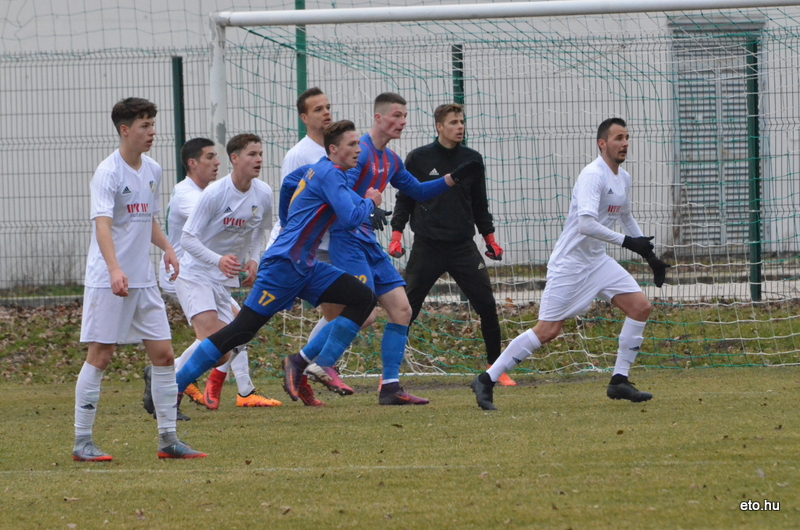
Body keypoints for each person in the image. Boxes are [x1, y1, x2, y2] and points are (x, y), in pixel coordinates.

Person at [282, 93, 483, 406]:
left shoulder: (390, 159)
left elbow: (416, 190)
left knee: (401, 309)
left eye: (405, 116)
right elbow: (335, 189)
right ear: (378, 118)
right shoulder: (357, 151)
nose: (402, 122)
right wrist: (366, 206)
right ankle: (313, 361)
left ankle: (389, 386)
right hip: (346, 239)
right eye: (396, 116)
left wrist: (452, 178)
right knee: (362, 308)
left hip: (366, 242)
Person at [470, 117, 671, 410]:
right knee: (547, 330)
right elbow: (586, 224)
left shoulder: (623, 177)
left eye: (627, 137)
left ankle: (619, 381)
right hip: (571, 265)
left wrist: (650, 256)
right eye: (618, 138)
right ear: (602, 144)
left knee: (640, 306)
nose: (624, 143)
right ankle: (486, 379)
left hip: (597, 261)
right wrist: (628, 243)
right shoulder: (593, 175)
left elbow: (625, 216)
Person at [174, 120, 381, 402]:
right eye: (352, 144)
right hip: (283, 266)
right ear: (333, 149)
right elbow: (351, 217)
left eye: (359, 143)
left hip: (306, 266)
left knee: (363, 298)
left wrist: (287, 220)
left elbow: (289, 184)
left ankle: (313, 362)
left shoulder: (319, 169)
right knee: (240, 331)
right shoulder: (329, 174)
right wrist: (370, 202)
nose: (359, 150)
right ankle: (174, 385)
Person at [73, 97, 205, 461]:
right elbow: (103, 226)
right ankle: (82, 441)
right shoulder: (108, 173)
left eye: (152, 124)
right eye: (144, 126)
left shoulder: (154, 169)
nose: (152, 132)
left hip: (144, 281)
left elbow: (146, 218)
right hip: (108, 280)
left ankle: (168, 440)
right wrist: (115, 269)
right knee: (100, 356)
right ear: (125, 130)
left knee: (163, 356)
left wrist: (167, 248)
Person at [146, 136, 281, 415]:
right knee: (213, 336)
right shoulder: (205, 194)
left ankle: (171, 379)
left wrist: (254, 259)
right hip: (189, 271)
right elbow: (189, 238)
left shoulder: (263, 193)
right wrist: (218, 259)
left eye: (260, 154)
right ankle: (172, 390)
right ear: (236, 158)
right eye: (252, 154)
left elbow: (260, 230)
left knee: (235, 337)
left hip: (220, 277)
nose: (259, 159)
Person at [392, 102, 515, 387]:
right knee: (406, 309)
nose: (460, 126)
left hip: (462, 246)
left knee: (486, 305)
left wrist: (490, 239)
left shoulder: (472, 159)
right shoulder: (418, 158)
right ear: (439, 126)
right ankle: (390, 375)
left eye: (462, 121)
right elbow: (405, 199)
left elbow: (480, 204)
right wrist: (396, 234)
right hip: (427, 246)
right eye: (454, 122)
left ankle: (495, 370)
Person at [267, 87, 331, 407]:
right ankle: (182, 374)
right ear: (304, 117)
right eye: (318, 109)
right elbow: (290, 204)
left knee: (354, 308)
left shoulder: (336, 149)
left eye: (328, 107)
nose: (326, 113)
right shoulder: (299, 154)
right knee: (251, 320)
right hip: (305, 247)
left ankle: (304, 367)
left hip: (335, 243)